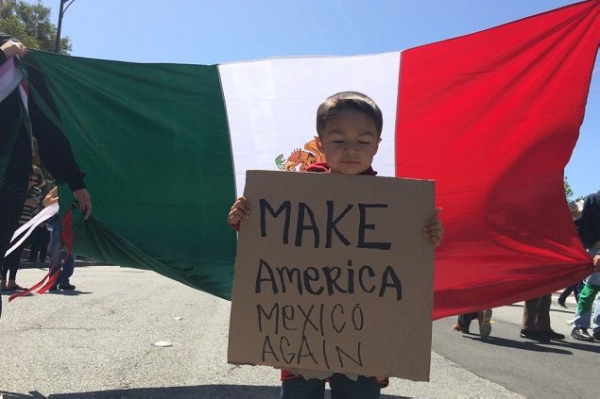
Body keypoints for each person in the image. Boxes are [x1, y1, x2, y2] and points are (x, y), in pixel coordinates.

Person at [228, 91, 444, 399]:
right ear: (320, 144)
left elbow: (409, 260)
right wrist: (242, 217)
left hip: (365, 346)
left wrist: (428, 233)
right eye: (339, 141)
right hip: (300, 338)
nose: (351, 150)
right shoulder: (292, 194)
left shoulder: (394, 206)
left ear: (377, 146)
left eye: (363, 142)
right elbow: (264, 239)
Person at [1, 34, 92, 319]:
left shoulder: (24, 63)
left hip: (8, 182)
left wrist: (74, 181)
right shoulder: (9, 53)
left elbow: (48, 129)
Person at [0, 166, 42, 291]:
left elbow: (35, 207)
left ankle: (12, 281)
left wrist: (28, 203)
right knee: (7, 251)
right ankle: (3, 280)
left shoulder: (37, 191)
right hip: (10, 224)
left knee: (17, 253)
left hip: (25, 224)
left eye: (35, 180)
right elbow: (8, 202)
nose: (32, 182)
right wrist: (27, 202)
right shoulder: (15, 188)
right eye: (30, 179)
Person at [571, 192, 600, 341]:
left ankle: (598, 328)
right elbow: (578, 224)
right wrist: (593, 242)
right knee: (590, 289)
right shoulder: (590, 199)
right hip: (594, 249)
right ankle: (579, 326)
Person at [557, 201, 583, 308]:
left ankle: (563, 298)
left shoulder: (571, 224)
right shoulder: (572, 225)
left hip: (573, 255)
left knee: (576, 280)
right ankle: (579, 306)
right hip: (572, 255)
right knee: (577, 280)